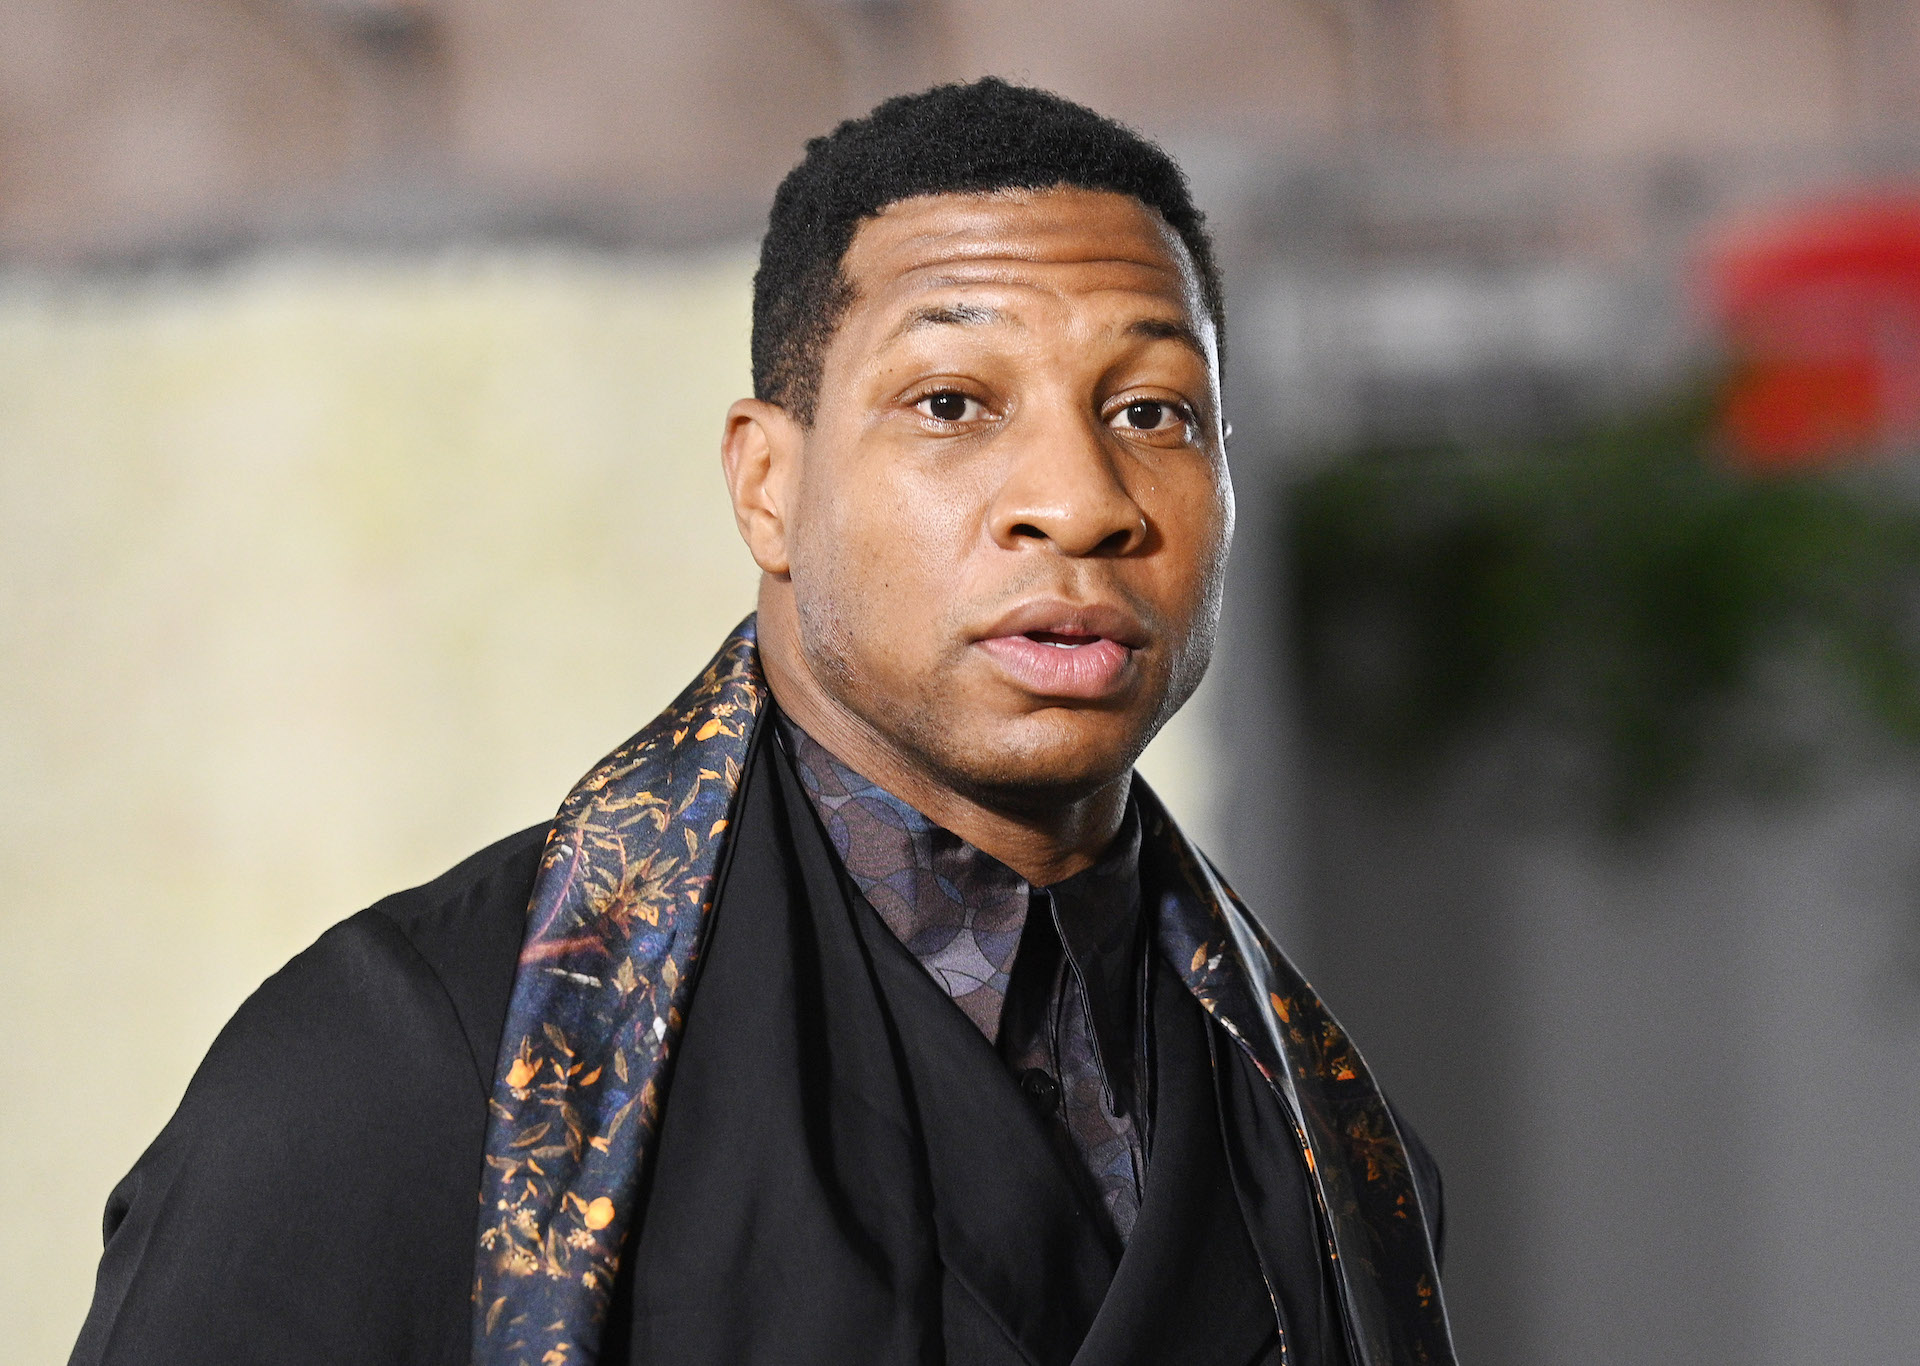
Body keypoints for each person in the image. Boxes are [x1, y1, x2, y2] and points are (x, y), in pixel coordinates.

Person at [70, 78, 1454, 1366]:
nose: (1082, 498)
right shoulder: (414, 1073)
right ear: (766, 485)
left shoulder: (1331, 1149)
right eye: (954, 403)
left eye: (1154, 409)